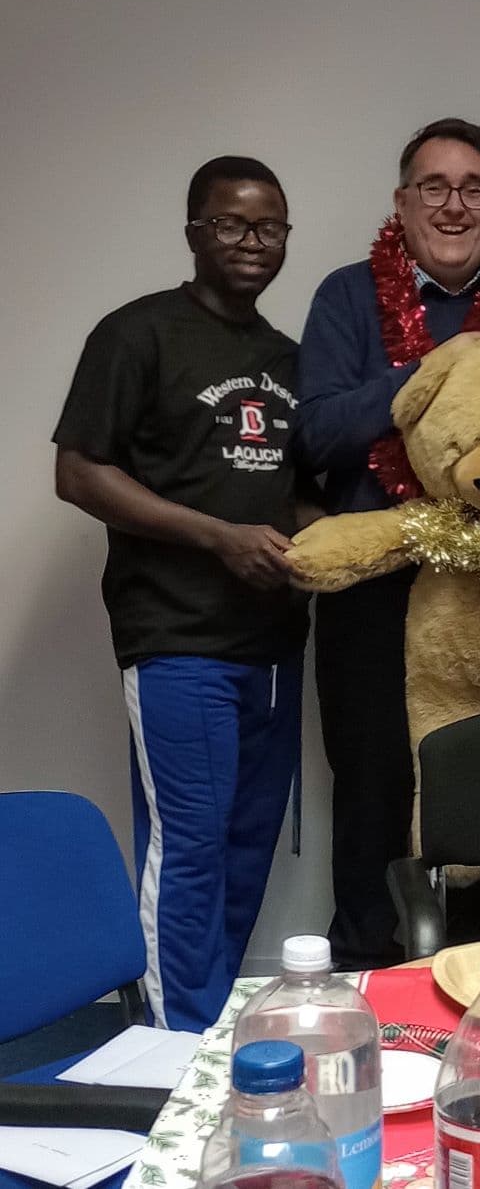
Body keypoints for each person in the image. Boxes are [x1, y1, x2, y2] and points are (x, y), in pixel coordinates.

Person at [294, 117, 480, 968]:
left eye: (471, 188)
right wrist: (436, 379)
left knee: (476, 789)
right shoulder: (347, 296)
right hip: (376, 590)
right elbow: (315, 434)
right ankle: (366, 978)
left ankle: (475, 987)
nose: (453, 205)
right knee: (374, 789)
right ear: (401, 201)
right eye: (434, 186)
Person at [53, 157, 315, 1031]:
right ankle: (174, 1052)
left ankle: (203, 1028)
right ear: (195, 230)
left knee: (245, 854)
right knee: (192, 848)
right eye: (233, 224)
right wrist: (215, 536)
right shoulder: (137, 335)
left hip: (274, 647)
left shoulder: (286, 357)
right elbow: (80, 472)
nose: (252, 242)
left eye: (269, 226)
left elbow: (295, 493)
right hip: (176, 640)